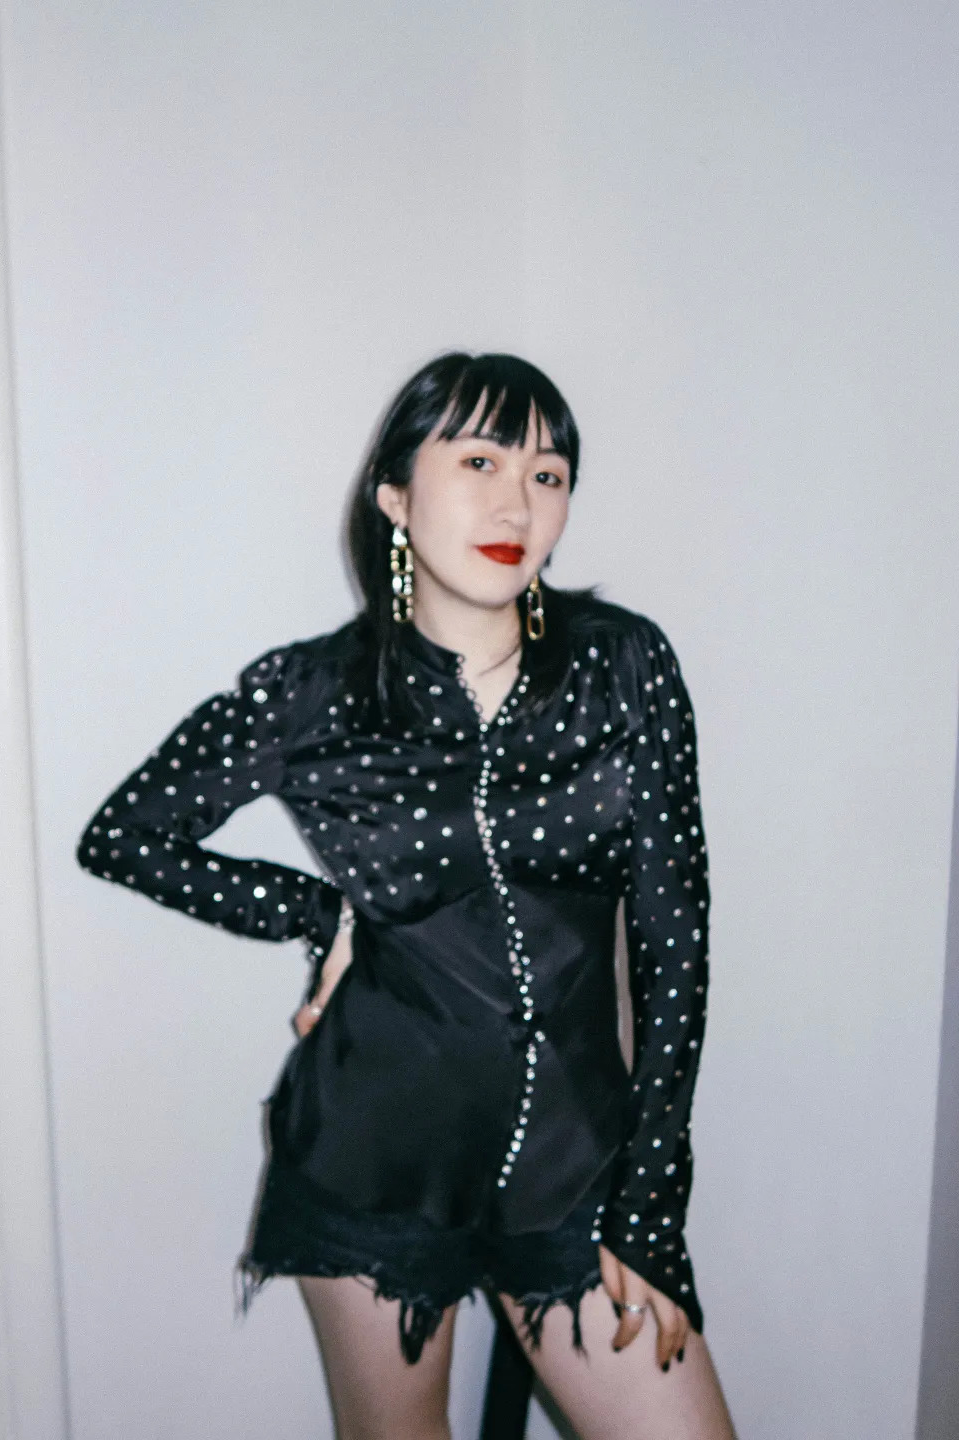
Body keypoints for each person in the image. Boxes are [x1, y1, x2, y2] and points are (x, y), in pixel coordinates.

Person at [77, 352, 737, 1439]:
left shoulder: (622, 665)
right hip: (372, 1169)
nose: (516, 504)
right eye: (479, 461)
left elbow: (675, 935)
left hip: (582, 1173)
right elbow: (125, 837)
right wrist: (315, 912)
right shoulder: (312, 689)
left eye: (548, 475)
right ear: (395, 493)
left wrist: (653, 1194)